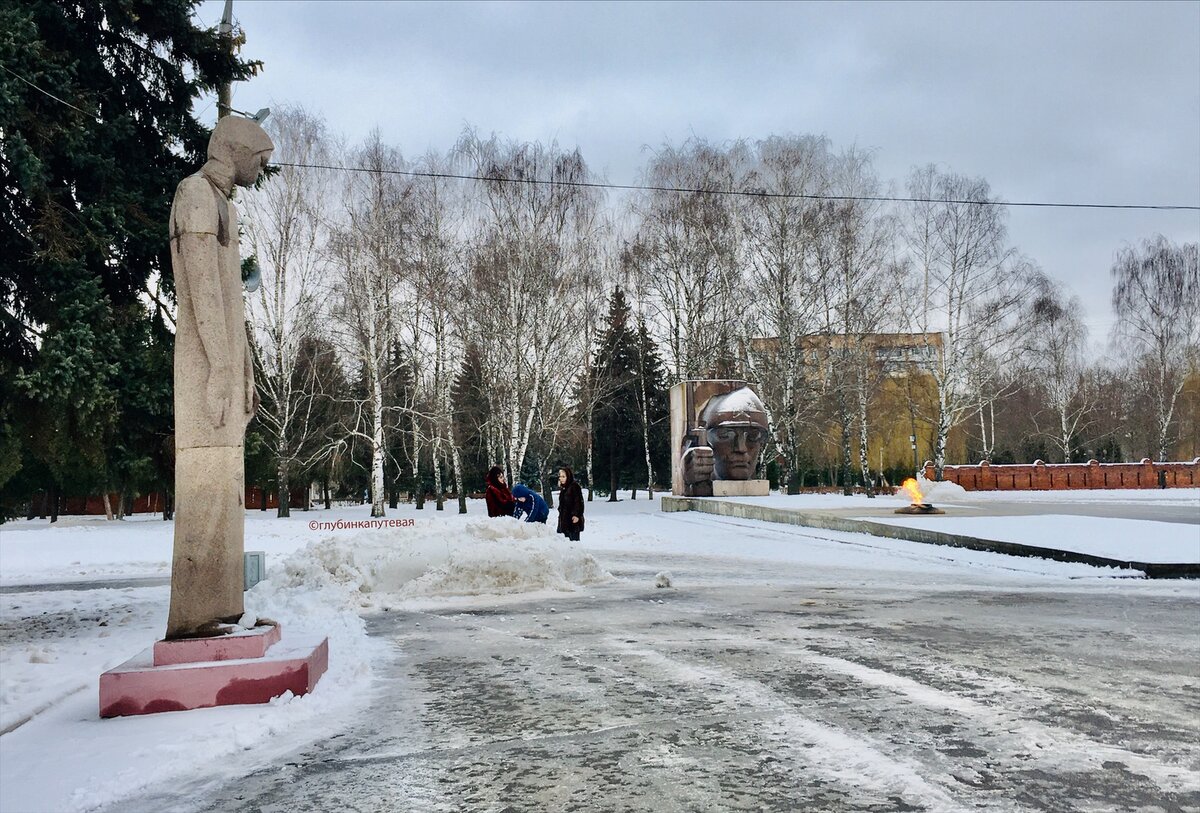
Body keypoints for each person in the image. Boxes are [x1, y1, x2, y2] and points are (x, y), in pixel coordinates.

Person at [556, 467, 584, 541]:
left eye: (563, 476)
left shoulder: (574, 486)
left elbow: (578, 502)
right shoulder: (564, 488)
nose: (561, 479)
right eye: (560, 476)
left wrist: (576, 515)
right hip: (564, 519)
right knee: (564, 543)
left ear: (568, 476)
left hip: (572, 520)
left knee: (573, 542)